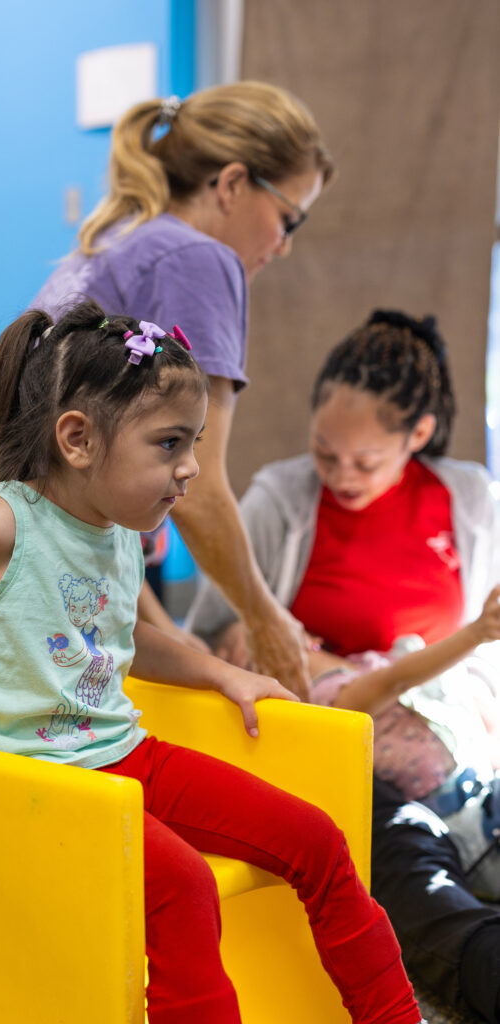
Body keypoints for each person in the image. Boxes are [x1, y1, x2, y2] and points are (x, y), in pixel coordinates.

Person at [0, 302, 423, 1024]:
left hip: (120, 754)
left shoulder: (121, 529)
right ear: (79, 439)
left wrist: (218, 670)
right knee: (182, 885)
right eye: (170, 444)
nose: (189, 470)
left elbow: (119, 639)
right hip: (24, 779)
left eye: (195, 443)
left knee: (315, 837)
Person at [0, 80, 337, 698]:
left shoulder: (125, 235)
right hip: (29, 576)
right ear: (232, 183)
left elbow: (92, 503)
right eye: (289, 217)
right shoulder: (200, 258)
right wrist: (268, 622)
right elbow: (198, 489)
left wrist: (159, 626)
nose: (284, 246)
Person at [188, 309, 500, 1023]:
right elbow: (208, 638)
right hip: (344, 757)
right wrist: (263, 644)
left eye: (364, 462)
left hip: (459, 738)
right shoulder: (278, 501)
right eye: (325, 454)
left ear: (416, 437)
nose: (340, 476)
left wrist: (317, 654)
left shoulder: (469, 502)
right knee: (412, 880)